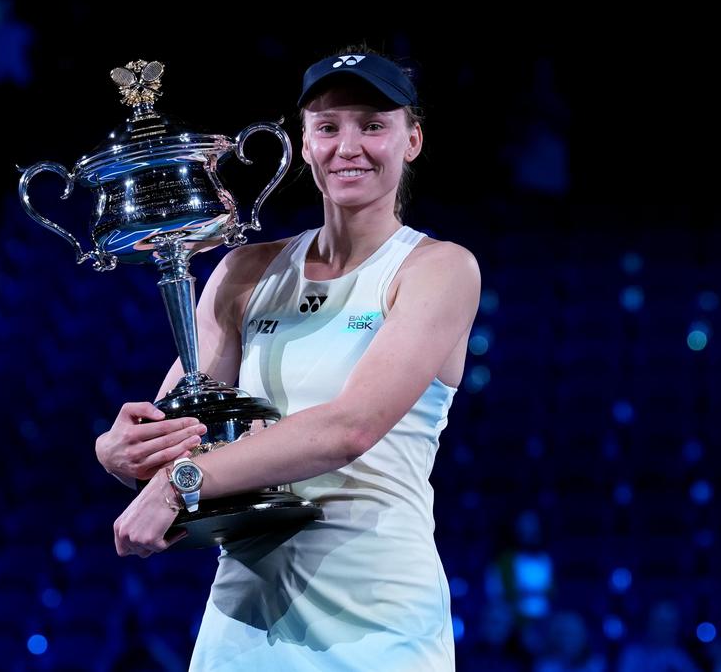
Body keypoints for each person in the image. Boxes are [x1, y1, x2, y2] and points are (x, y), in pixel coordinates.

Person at [96, 46, 481, 671]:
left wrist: (180, 482)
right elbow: (182, 436)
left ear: (412, 140)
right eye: (327, 127)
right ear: (303, 144)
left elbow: (348, 429)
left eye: (373, 125)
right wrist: (123, 454)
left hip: (378, 626)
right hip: (243, 623)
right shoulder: (244, 272)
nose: (347, 146)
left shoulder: (439, 269)